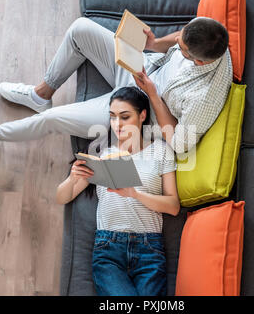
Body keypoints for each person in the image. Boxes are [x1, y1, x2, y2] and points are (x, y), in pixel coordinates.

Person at [0, 16, 233, 155]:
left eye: (182, 50)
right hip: (143, 68)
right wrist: (155, 43)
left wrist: (153, 95)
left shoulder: (204, 98)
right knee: (81, 29)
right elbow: (184, 35)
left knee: (53, 120)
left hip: (139, 106)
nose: (178, 45)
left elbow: (180, 144)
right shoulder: (211, 34)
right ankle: (41, 94)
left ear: (201, 63)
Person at [56, 87, 180, 296]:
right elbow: (62, 197)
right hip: (109, 248)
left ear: (142, 115)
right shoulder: (102, 153)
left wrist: (135, 194)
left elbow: (174, 206)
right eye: (112, 117)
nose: (117, 124)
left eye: (125, 117)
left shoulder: (160, 150)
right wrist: (72, 177)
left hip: (149, 247)